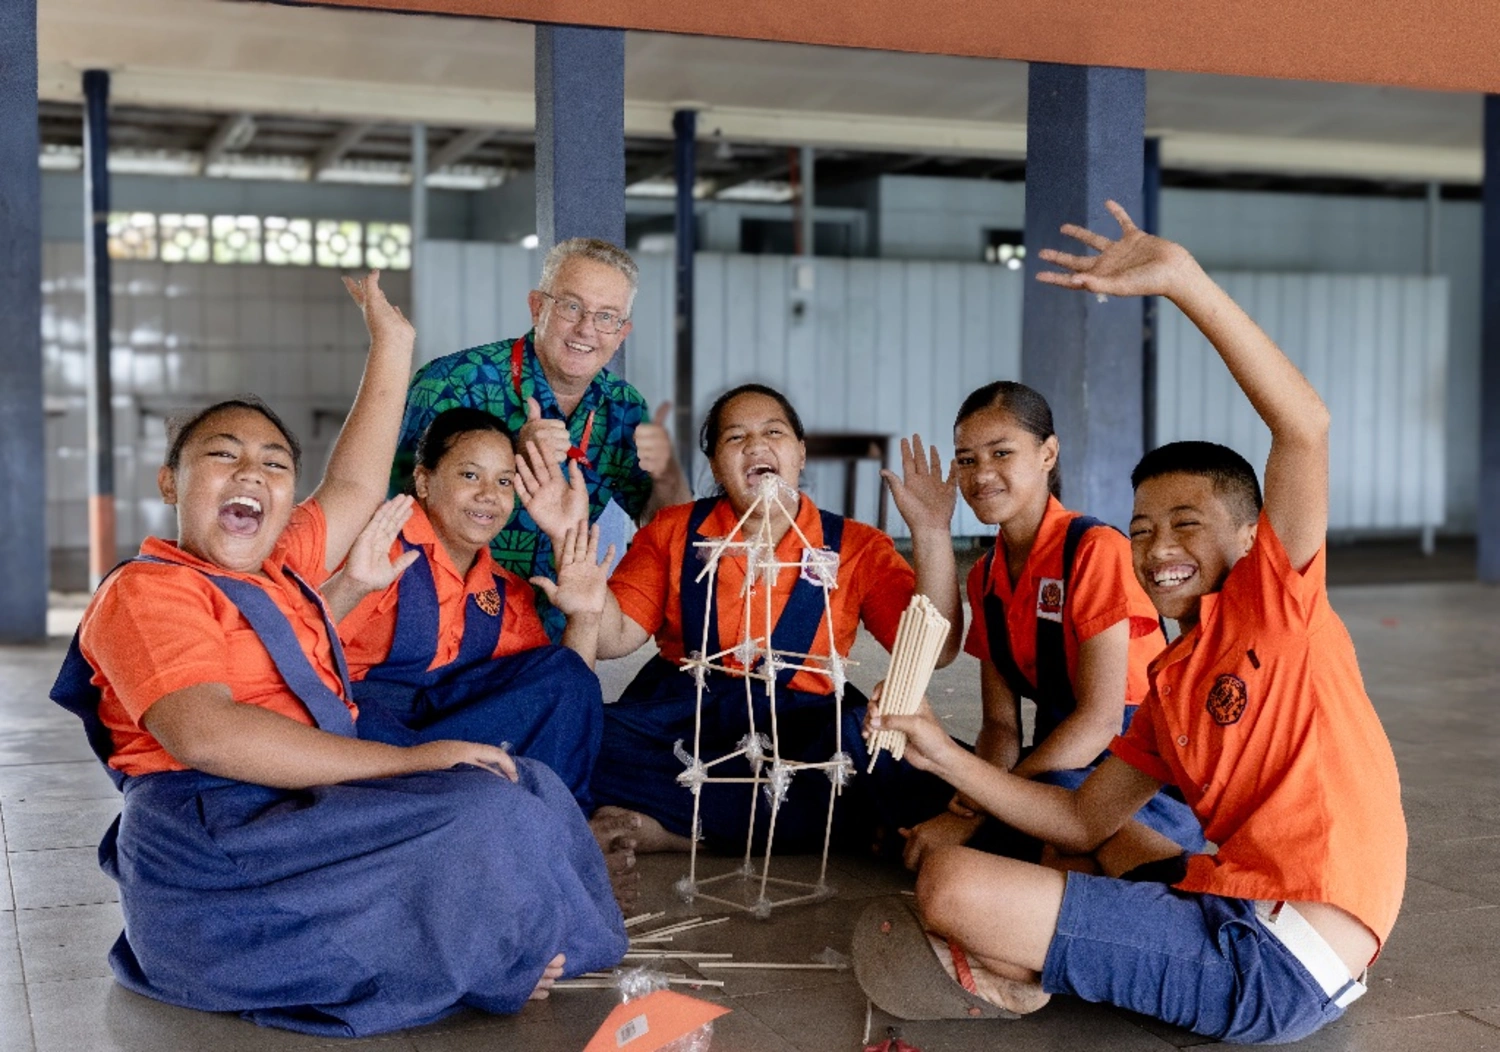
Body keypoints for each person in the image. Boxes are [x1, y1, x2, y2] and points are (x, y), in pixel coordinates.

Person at [857, 203, 1406, 1044]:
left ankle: (1023, 971)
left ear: (1251, 537)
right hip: (1252, 913)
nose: (1158, 549)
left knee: (950, 886)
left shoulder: (1278, 605)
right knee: (1091, 844)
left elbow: (1305, 426)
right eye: (1143, 530)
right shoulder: (1173, 684)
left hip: (1279, 955)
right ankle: (1044, 958)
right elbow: (1083, 817)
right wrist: (935, 749)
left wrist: (1184, 283)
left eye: (1187, 524)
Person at [48, 272, 626, 1038]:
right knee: (480, 811)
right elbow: (206, 735)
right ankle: (477, 949)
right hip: (211, 841)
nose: (251, 472)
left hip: (296, 802)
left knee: (525, 786)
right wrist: (412, 763)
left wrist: (393, 344)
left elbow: (354, 477)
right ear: (170, 483)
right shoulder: (150, 588)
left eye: (275, 464)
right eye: (223, 455)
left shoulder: (284, 564)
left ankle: (486, 938)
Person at [538, 382, 964, 855]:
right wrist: (573, 553)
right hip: (684, 719)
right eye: (735, 437)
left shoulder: (856, 546)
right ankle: (830, 825)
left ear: (800, 453)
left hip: (802, 727)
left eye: (774, 432)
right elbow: (613, 638)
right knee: (569, 737)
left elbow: (936, 652)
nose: (756, 445)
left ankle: (675, 828)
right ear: (716, 466)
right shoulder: (674, 531)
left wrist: (931, 532)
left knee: (878, 747)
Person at [897, 380, 1202, 873]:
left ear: (1048, 453)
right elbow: (1000, 727)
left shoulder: (1094, 550)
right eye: (967, 460)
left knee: (1044, 835)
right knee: (905, 782)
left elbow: (1100, 721)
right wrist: (977, 794)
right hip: (1056, 765)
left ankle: (1149, 877)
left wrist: (984, 801)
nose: (982, 474)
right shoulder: (985, 577)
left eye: (1001, 453)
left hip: (1132, 778)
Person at [394, 237, 692, 640]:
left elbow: (662, 526)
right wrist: (507, 458)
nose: (586, 328)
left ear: (622, 333)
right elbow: (394, 505)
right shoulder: (451, 383)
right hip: (442, 627)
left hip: (551, 635)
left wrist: (668, 473)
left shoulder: (624, 409)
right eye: (571, 306)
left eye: (606, 316)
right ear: (537, 307)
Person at [321, 407, 613, 816]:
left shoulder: (506, 592)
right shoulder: (373, 554)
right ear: (424, 480)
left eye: (504, 481)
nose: (488, 494)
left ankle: (561, 823)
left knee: (564, 673)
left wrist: (584, 615)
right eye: (470, 475)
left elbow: (563, 700)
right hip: (368, 740)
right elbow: (300, 657)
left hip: (454, 740)